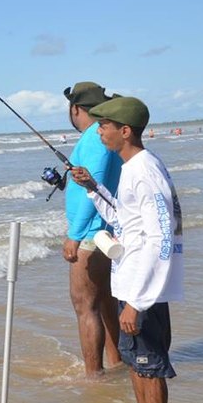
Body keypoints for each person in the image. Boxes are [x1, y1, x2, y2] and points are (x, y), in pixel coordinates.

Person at [70, 96, 184, 403]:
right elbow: (124, 218)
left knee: (149, 369)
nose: (99, 130)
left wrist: (136, 301)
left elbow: (161, 238)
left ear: (125, 131)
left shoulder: (145, 171)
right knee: (138, 365)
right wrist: (93, 187)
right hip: (134, 286)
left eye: (104, 125)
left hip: (141, 290)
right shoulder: (133, 167)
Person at [62, 82, 123, 377]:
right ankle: (116, 363)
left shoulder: (94, 137)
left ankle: (93, 377)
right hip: (105, 230)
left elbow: (93, 187)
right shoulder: (102, 134)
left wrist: (74, 235)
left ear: (75, 108)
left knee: (86, 307)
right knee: (107, 302)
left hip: (90, 234)